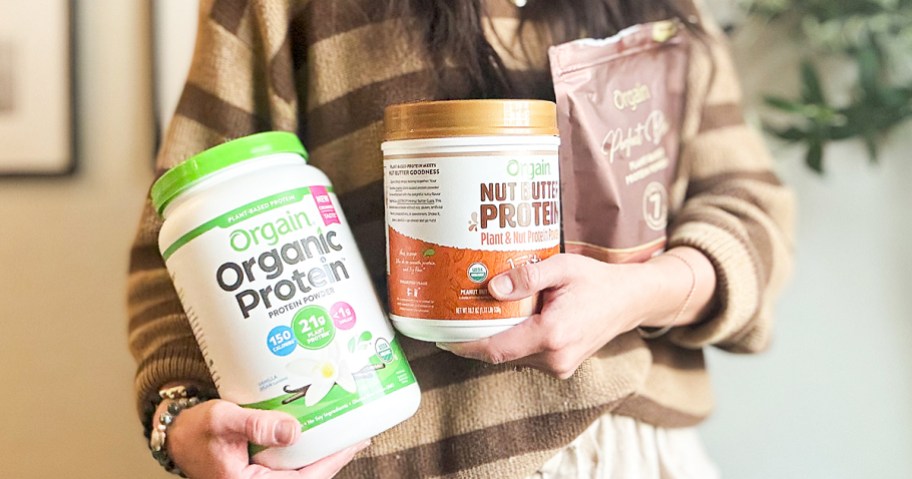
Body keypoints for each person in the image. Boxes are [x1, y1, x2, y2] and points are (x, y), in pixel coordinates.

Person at [128, 0, 794, 477]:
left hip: (626, 455)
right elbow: (180, 240)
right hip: (388, 457)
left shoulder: (670, 13)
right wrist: (180, 423)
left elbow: (751, 205)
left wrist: (642, 292)